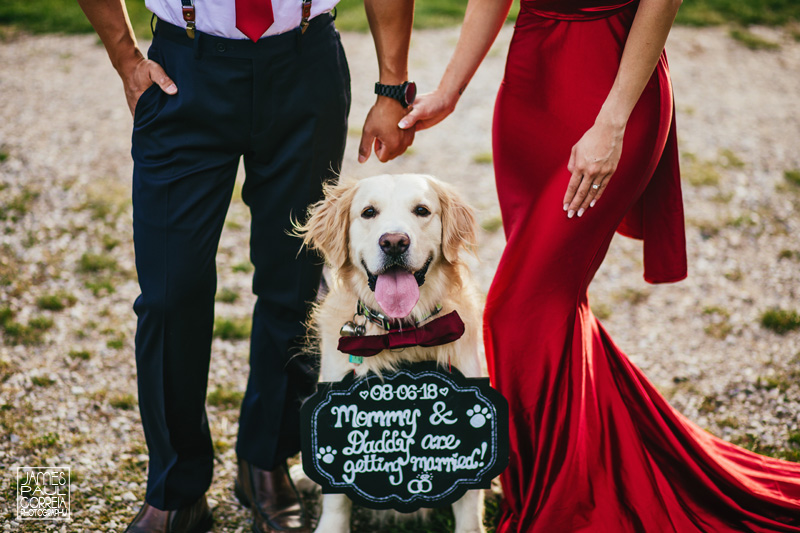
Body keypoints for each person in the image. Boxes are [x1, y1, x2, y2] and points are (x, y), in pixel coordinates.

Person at [401, 0, 800, 530]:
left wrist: (611, 124)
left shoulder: (614, 111)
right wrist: (450, 89)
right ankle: (577, 472)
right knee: (555, 308)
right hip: (528, 86)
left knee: (515, 312)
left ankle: (562, 499)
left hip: (612, 88)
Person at [76, 0, 415, 531]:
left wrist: (392, 86)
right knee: (170, 292)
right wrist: (124, 55)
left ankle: (265, 460)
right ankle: (176, 487)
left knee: (294, 279)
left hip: (305, 65)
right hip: (184, 69)